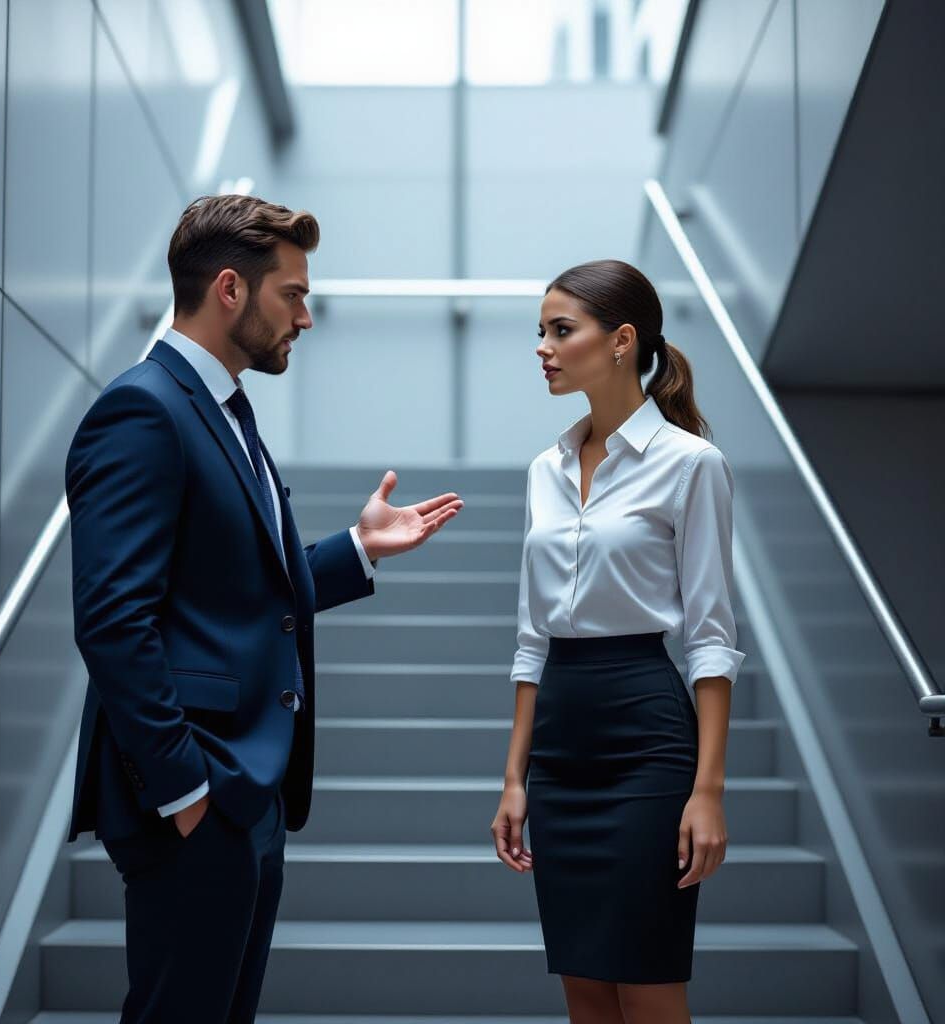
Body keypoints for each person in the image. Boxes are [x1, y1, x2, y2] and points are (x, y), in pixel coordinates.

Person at [64, 193, 464, 1023]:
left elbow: (238, 590)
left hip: (250, 795)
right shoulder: (144, 410)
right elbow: (111, 620)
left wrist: (356, 550)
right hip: (197, 795)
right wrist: (185, 794)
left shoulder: (224, 410)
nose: (307, 318)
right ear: (230, 290)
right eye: (294, 293)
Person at [491, 259, 745, 1024]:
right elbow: (532, 636)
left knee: (647, 983)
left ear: (623, 341)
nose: (544, 347)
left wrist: (707, 791)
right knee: (585, 989)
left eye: (561, 330)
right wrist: (514, 776)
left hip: (646, 738)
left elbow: (710, 638)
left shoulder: (691, 464)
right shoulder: (545, 469)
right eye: (541, 331)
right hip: (561, 746)